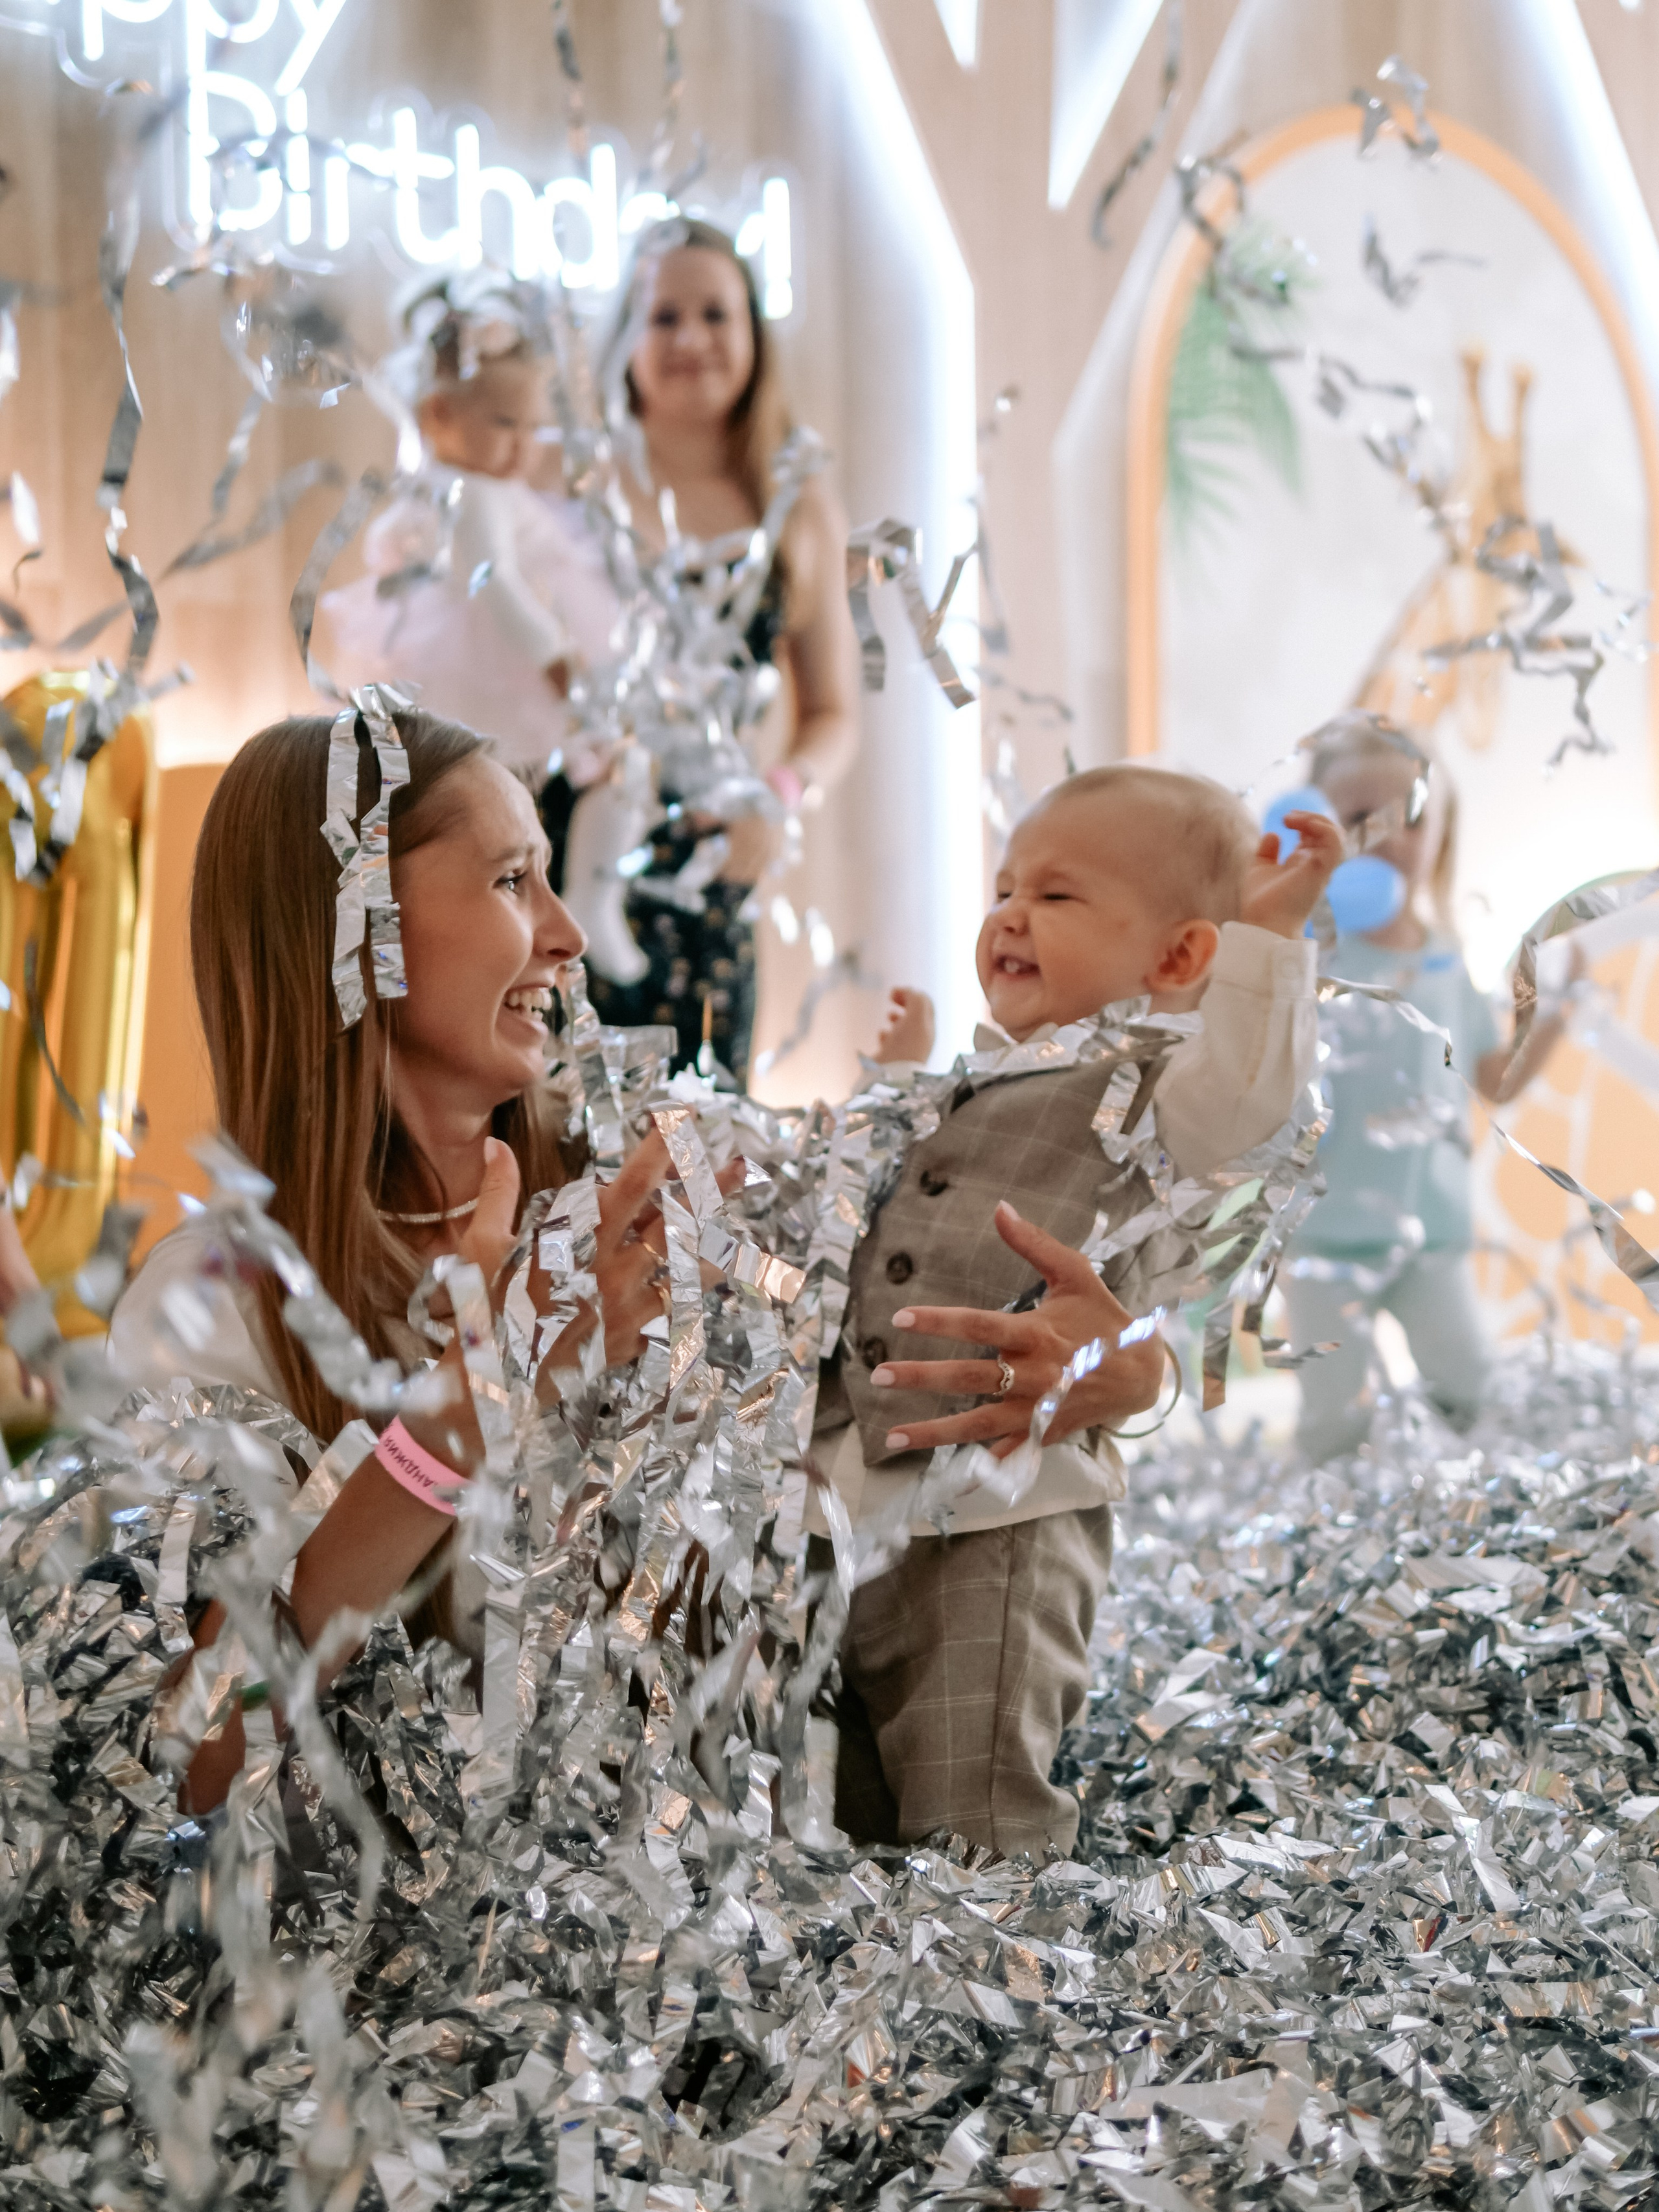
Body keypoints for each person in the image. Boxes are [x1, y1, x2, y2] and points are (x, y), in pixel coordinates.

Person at [101, 707, 680, 1813]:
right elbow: (190, 1768)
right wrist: (452, 1425)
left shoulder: (613, 1212)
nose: (568, 934)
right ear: (354, 928)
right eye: (512, 879)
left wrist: (1076, 1376)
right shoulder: (207, 1307)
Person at [809, 764, 1345, 1859]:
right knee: (844, 1793)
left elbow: (1249, 1102)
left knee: (977, 1800)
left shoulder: (1156, 1093)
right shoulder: (977, 1076)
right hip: (849, 1509)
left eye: (1054, 895)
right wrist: (896, 1086)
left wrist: (1267, 942)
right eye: (1005, 888)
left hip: (1002, 1523)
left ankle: (997, 1945)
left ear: (1178, 958)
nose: (1010, 912)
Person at [540, 220, 861, 1083]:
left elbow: (834, 715)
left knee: (696, 1137)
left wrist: (776, 797)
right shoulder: (569, 485)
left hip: (708, 877)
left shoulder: (797, 505)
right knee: (556, 1119)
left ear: (753, 330)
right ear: (627, 340)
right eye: (664, 317)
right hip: (566, 855)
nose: (691, 339)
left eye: (715, 314)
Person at [1282, 720, 1574, 1461]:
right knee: (1333, 1417)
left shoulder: (1445, 956)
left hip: (1430, 1232)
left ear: (1440, 835)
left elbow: (1493, 1080)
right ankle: (1323, 1508)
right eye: (1359, 818)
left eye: (1409, 817)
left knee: (1472, 1385)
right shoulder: (1308, 952)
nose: (1385, 837)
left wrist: (1547, 1020)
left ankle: (1478, 1497)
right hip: (1323, 1237)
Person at [312, 277, 620, 782]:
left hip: (469, 644)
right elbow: (494, 580)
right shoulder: (476, 491)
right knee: (494, 762)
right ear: (441, 415)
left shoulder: (451, 485)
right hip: (494, 652)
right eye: (505, 424)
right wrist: (557, 660)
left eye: (534, 427)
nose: (524, 445)